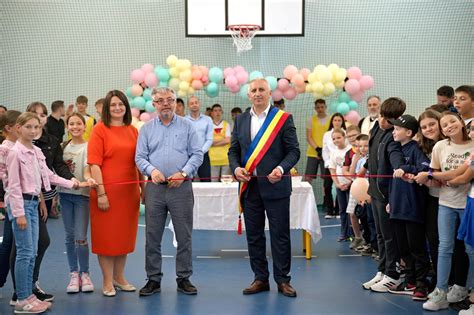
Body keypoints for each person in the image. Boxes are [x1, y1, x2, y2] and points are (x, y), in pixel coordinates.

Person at [228, 78, 300, 298]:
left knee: (280, 235)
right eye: (253, 90)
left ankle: (283, 280)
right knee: (254, 236)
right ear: (248, 95)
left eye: (261, 90)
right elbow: (233, 152)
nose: (257, 93)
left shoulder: (283, 119)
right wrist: (236, 169)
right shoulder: (240, 120)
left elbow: (294, 151)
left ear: (270, 94)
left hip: (276, 187)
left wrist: (281, 168)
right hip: (250, 188)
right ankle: (260, 278)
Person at [6, 112, 84, 313]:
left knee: (31, 252)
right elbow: (12, 186)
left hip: (32, 204)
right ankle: (22, 299)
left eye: (37, 127)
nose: (33, 131)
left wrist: (74, 183)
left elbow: (49, 175)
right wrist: (19, 213)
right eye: (29, 127)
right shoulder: (15, 153)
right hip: (22, 205)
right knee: (24, 253)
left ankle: (29, 294)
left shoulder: (36, 151)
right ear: (18, 128)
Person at [136, 87, 203, 296]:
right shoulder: (146, 129)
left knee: (184, 236)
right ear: (154, 104)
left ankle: (184, 278)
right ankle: (153, 279)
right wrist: (152, 170)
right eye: (160, 100)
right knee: (152, 236)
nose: (165, 103)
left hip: (181, 189)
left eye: (170, 100)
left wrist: (183, 172)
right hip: (155, 189)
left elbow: (197, 154)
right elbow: (140, 157)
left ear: (175, 103)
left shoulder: (188, 127)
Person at [88, 90, 142, 297]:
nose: (117, 108)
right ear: (106, 108)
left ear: (126, 107)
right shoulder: (99, 130)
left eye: (121, 104)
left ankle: (120, 277)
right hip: (106, 193)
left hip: (129, 194)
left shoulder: (133, 130)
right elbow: (94, 164)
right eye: (113, 105)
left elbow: (138, 162)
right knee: (107, 239)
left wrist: (143, 188)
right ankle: (107, 281)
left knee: (124, 238)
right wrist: (101, 193)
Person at [419, 112, 474, 311]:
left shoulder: (473, 144)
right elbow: (434, 176)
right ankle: (440, 291)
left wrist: (438, 176)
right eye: (444, 125)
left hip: (468, 205)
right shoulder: (440, 147)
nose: (449, 126)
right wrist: (422, 177)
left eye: (452, 121)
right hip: (446, 204)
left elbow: (460, 176)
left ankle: (467, 289)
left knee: (470, 249)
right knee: (444, 247)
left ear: (461, 122)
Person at [362, 97, 406, 292]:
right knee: (380, 234)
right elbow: (372, 156)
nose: (382, 122)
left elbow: (395, 154)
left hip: (387, 193)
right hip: (375, 189)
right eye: (381, 116)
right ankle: (382, 270)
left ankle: (393, 274)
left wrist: (399, 168)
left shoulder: (393, 136)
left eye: (388, 120)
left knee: (389, 236)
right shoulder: (376, 129)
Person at [386, 114, 431, 301]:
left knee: (416, 248)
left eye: (397, 129)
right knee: (403, 248)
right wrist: (391, 201)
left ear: (409, 132)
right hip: (397, 207)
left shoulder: (415, 149)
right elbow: (393, 182)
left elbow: (424, 167)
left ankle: (422, 284)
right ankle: (410, 280)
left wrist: (406, 169)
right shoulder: (397, 149)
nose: (394, 131)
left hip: (412, 209)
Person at [59, 113, 97, 293]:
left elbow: (87, 169)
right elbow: (57, 170)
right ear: (67, 127)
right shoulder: (62, 147)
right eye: (71, 124)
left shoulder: (89, 146)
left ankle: (85, 273)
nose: (75, 127)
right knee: (69, 236)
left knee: (80, 237)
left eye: (78, 124)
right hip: (64, 196)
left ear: (84, 126)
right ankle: (73, 273)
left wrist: (88, 179)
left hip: (82, 196)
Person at [0, 110, 21, 292]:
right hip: (14, 202)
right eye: (19, 126)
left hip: (19, 201)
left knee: (9, 242)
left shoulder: (20, 146)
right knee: (11, 244)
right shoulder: (5, 149)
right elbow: (6, 177)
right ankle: (20, 290)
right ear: (8, 128)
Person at [304, 99, 335, 218]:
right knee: (308, 178)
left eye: (322, 107)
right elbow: (309, 137)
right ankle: (306, 202)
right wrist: (317, 148)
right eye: (318, 107)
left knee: (325, 179)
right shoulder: (311, 120)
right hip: (313, 152)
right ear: (315, 108)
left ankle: (327, 202)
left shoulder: (331, 119)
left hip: (326, 153)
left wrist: (324, 149)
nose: (320, 109)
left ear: (325, 107)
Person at [322, 113, 348, 219]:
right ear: (332, 121)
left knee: (341, 185)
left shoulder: (346, 133)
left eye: (339, 120)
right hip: (330, 163)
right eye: (335, 120)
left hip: (342, 165)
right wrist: (328, 163)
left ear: (342, 122)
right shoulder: (327, 134)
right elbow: (325, 150)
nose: (337, 122)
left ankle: (338, 210)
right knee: (327, 186)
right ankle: (329, 210)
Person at [328, 129, 352, 241]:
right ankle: (344, 233)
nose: (336, 140)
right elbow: (332, 170)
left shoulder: (351, 150)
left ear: (344, 137)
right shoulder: (333, 153)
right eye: (334, 138)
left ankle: (353, 233)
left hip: (351, 185)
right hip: (340, 186)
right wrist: (337, 184)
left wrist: (350, 182)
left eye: (339, 137)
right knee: (342, 209)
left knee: (351, 210)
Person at [186, 96, 213, 182]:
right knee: (187, 182)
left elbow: (209, 139)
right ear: (188, 106)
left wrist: (200, 152)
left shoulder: (207, 120)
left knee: (206, 182)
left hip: (203, 156)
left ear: (199, 104)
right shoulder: (184, 120)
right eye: (191, 103)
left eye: (196, 103)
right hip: (188, 156)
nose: (194, 105)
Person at [209, 104, 232, 181]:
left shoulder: (226, 124)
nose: (217, 112)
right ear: (211, 113)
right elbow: (208, 141)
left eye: (219, 110)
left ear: (222, 112)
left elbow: (228, 140)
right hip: (213, 159)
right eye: (215, 111)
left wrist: (213, 142)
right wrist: (222, 139)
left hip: (225, 159)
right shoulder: (208, 125)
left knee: (225, 183)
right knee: (214, 183)